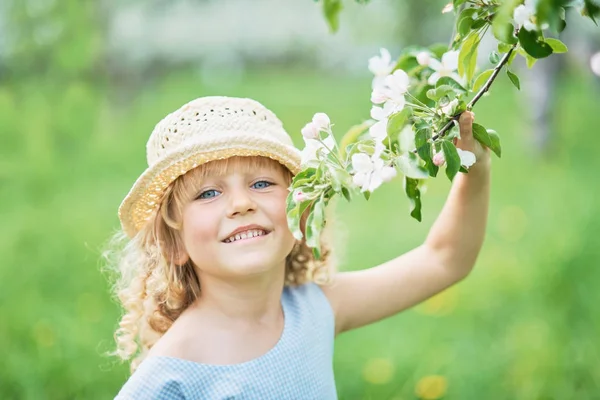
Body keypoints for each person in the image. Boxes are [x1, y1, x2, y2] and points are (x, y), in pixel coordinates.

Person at [107, 96, 490, 399]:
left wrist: (474, 168)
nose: (241, 203)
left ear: (302, 213)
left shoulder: (314, 309)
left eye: (262, 184)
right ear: (174, 244)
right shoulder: (173, 375)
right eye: (209, 193)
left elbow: (446, 259)